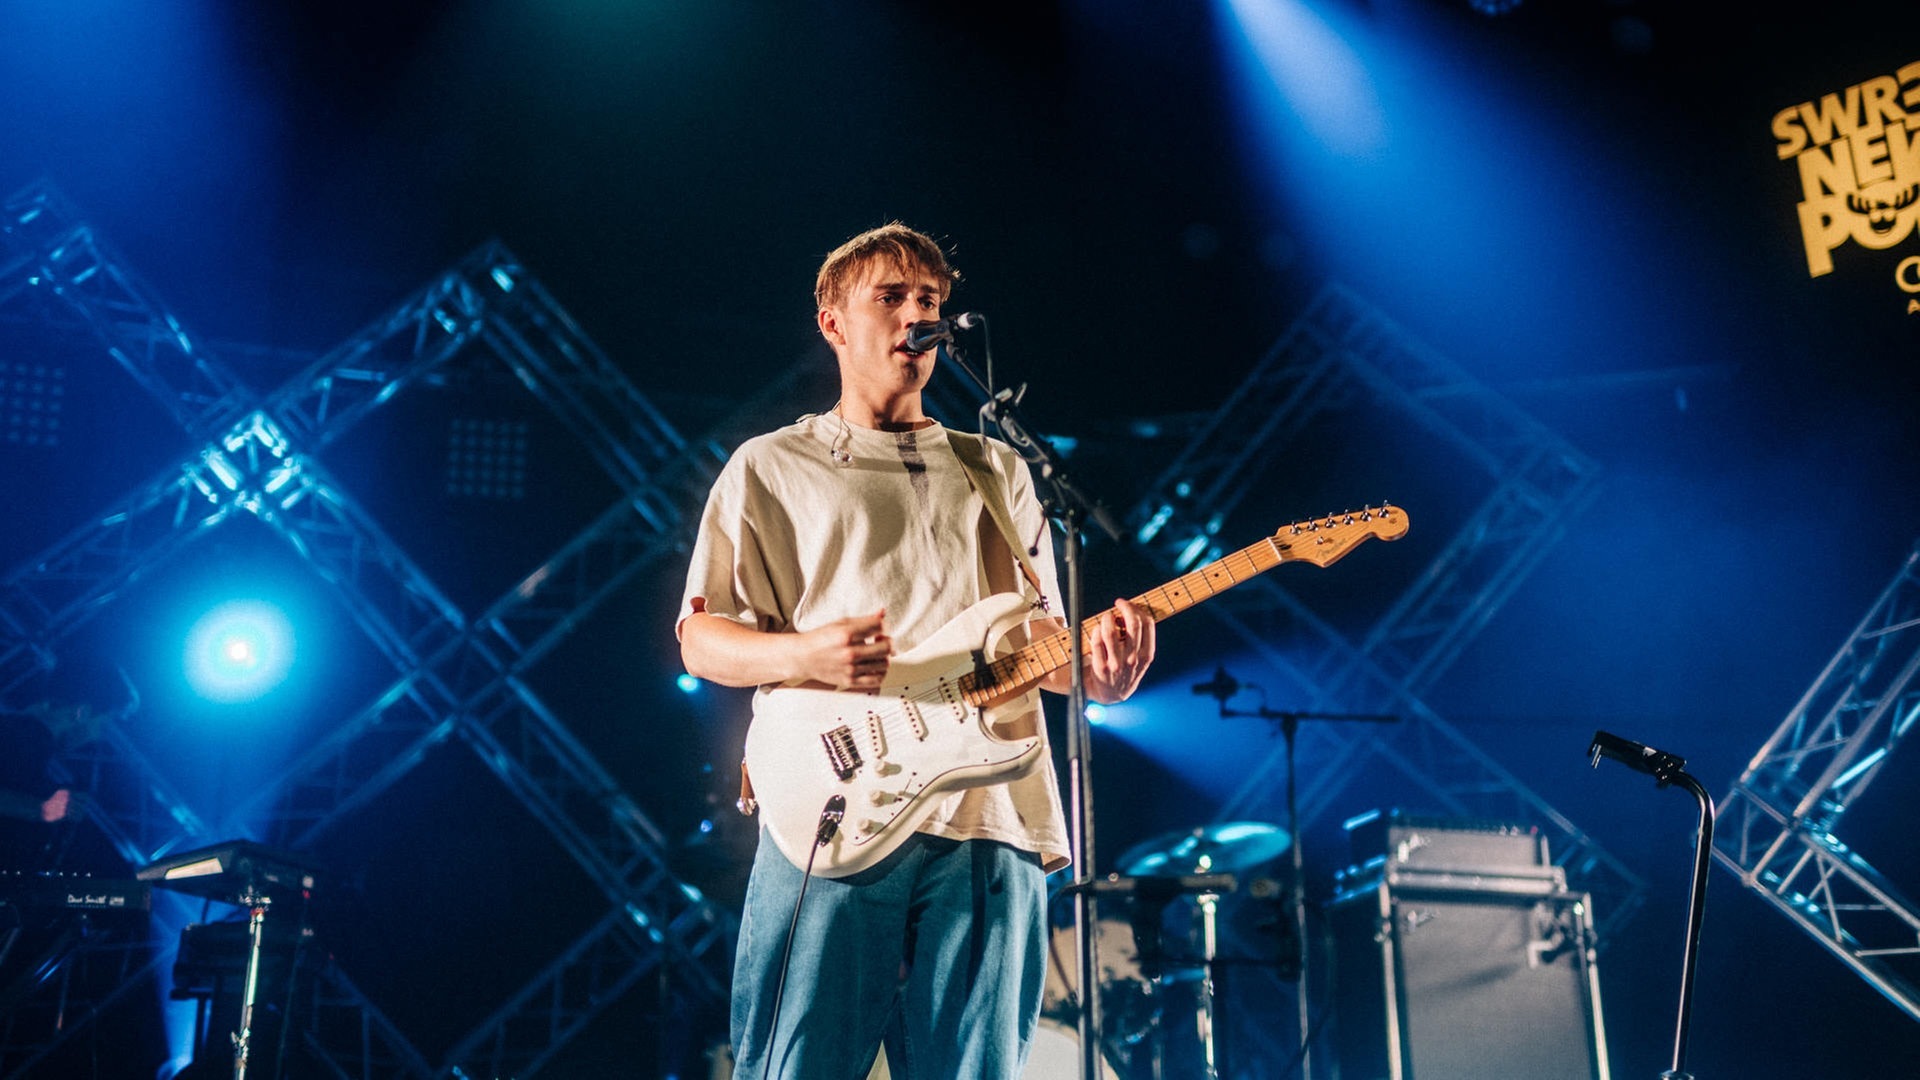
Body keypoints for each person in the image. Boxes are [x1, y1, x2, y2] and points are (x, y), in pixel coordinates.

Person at [678, 222, 1156, 1079]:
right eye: (890, 298)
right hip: (835, 799)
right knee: (796, 1064)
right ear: (832, 322)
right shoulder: (770, 465)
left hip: (993, 810)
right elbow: (704, 640)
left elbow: (1039, 643)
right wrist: (810, 654)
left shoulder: (1000, 469)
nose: (915, 316)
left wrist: (1098, 674)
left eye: (930, 301)